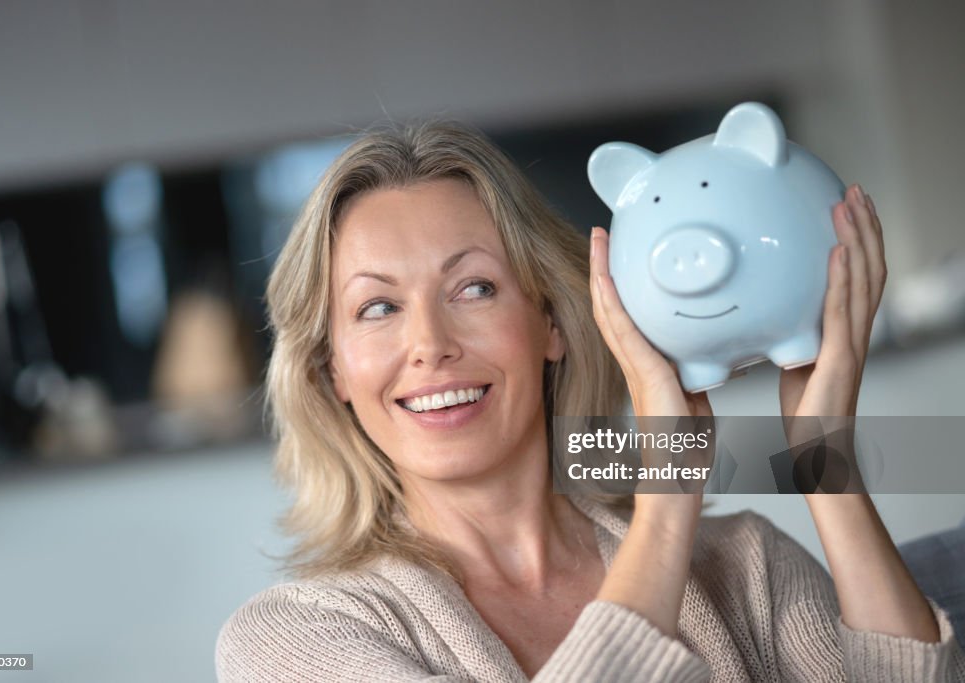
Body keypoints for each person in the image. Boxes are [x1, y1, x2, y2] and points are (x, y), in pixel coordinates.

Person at [215, 122, 964, 681]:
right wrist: (668, 491)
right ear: (331, 368)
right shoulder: (287, 642)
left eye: (474, 287)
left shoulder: (745, 564)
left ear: (550, 322)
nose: (429, 344)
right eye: (376, 308)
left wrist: (821, 450)